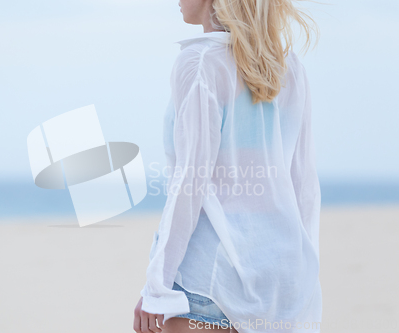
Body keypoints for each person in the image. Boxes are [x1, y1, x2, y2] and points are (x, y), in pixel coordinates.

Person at [133, 0, 320, 332]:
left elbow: (190, 181)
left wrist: (157, 287)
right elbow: (303, 185)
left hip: (211, 281)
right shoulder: (290, 66)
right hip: (281, 281)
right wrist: (303, 277)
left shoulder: (201, 61)